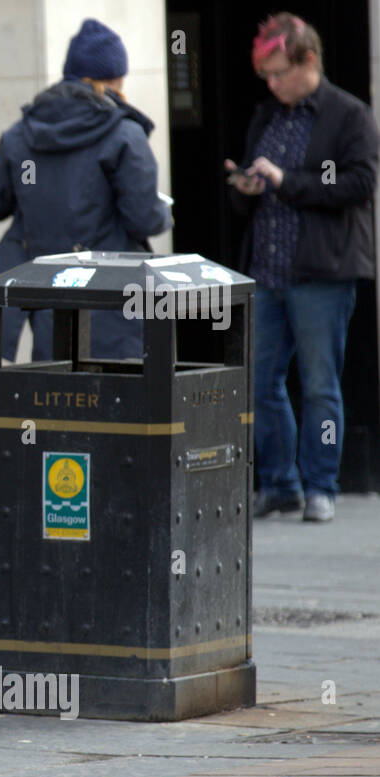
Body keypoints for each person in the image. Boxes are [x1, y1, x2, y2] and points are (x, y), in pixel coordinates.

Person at [225, 12, 378, 523]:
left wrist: (287, 181)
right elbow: (259, 188)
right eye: (266, 76)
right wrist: (247, 188)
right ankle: (279, 483)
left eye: (279, 73)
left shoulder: (348, 114)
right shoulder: (267, 116)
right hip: (267, 272)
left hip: (322, 273)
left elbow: (357, 185)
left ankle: (320, 485)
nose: (272, 84)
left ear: (308, 61)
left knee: (319, 384)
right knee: (260, 382)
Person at [0, 18, 172, 361]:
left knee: (57, 401)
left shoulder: (21, 135)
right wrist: (164, 210)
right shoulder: (123, 135)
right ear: (112, 81)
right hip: (116, 303)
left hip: (49, 305)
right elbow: (145, 219)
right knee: (123, 406)